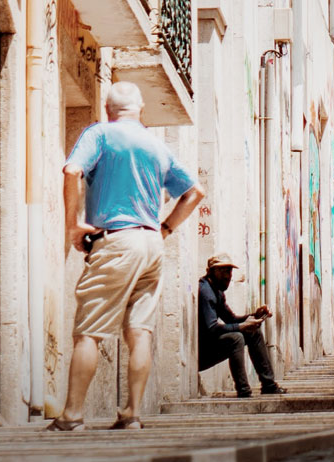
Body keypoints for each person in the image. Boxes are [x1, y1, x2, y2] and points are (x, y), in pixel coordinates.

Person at [52, 82, 205, 431]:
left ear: (108, 109)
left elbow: (72, 171)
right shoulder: (157, 145)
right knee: (140, 331)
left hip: (117, 241)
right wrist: (165, 230)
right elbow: (196, 192)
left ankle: (72, 415)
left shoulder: (100, 134)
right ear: (140, 110)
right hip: (152, 243)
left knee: (88, 331)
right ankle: (132, 413)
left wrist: (73, 225)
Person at [197, 253, 286, 398]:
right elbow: (212, 328)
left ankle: (269, 385)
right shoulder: (205, 292)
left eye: (230, 271)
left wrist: (254, 316)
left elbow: (231, 319)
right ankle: (244, 390)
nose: (228, 276)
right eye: (223, 271)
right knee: (236, 338)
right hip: (201, 354)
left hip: (210, 345)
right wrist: (241, 327)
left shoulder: (217, 291)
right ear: (211, 272)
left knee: (253, 332)